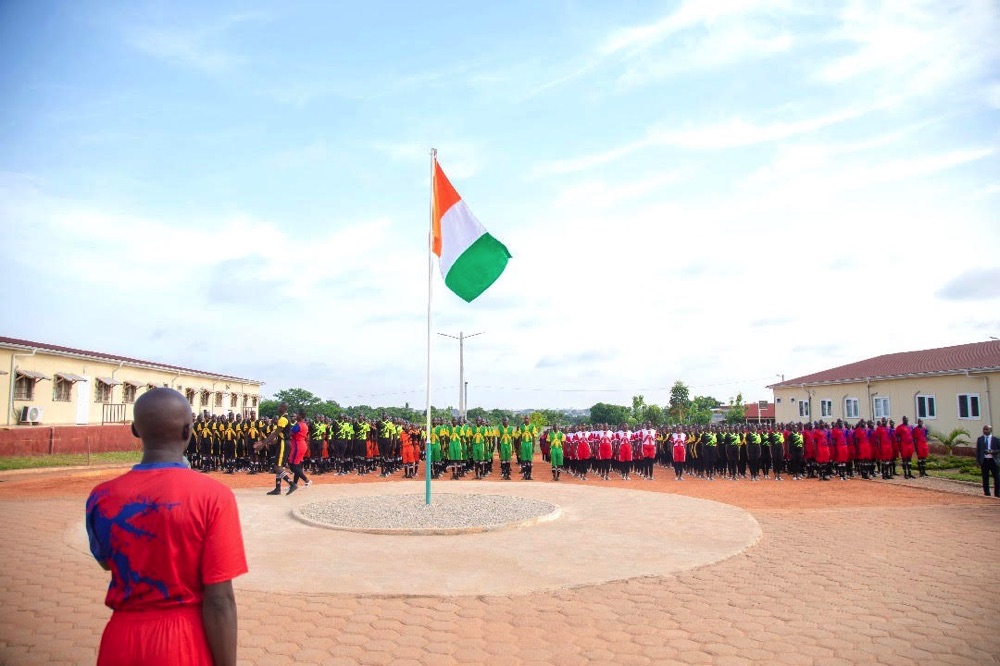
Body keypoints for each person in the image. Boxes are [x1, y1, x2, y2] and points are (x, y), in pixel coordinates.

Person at [86, 388, 247, 666]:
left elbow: (107, 563)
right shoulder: (213, 496)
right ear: (188, 432)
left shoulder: (100, 497)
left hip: (120, 639)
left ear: (135, 430)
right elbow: (219, 600)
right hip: (184, 640)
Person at [254, 401, 296, 495]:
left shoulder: (283, 419)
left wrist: (263, 444)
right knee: (278, 466)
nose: (278, 408)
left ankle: (291, 484)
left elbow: (275, 433)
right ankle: (278, 488)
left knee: (277, 467)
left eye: (279, 406)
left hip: (284, 444)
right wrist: (265, 442)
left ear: (283, 408)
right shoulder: (284, 418)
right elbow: (280, 435)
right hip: (282, 442)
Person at [975, 425, 999, 497]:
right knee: (985, 477)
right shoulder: (980, 439)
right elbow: (978, 451)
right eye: (984, 429)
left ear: (990, 430)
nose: (985, 431)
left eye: (987, 429)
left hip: (993, 461)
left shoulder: (996, 439)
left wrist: (992, 451)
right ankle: (987, 493)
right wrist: (978, 461)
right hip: (984, 461)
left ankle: (997, 493)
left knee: (997, 477)